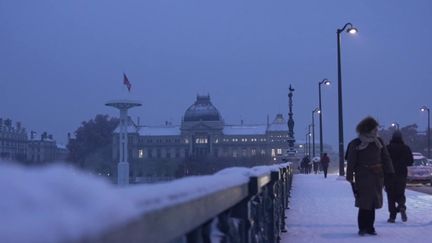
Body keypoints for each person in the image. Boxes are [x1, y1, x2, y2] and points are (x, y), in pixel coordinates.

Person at [346, 116, 394, 236]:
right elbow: (351, 161)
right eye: (374, 129)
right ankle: (362, 227)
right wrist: (350, 177)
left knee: (373, 202)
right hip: (363, 176)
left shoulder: (379, 142)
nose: (376, 131)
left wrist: (390, 172)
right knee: (364, 203)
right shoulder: (356, 143)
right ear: (367, 129)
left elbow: (385, 157)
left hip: (377, 176)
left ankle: (370, 227)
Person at [384, 131, 414, 223]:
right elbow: (410, 162)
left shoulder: (387, 148)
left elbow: (383, 160)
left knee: (391, 195)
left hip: (389, 175)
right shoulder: (406, 148)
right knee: (400, 193)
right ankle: (401, 206)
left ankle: (392, 217)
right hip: (401, 174)